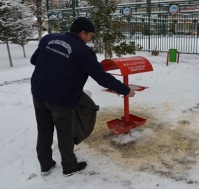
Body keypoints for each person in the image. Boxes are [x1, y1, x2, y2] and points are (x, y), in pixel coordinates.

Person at [30, 17, 135, 177]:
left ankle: (45, 165)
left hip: (39, 93)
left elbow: (34, 60)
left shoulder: (49, 39)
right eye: (90, 36)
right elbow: (102, 77)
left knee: (44, 130)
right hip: (62, 99)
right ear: (82, 32)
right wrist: (125, 90)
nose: (89, 39)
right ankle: (69, 166)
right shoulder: (83, 51)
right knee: (65, 133)